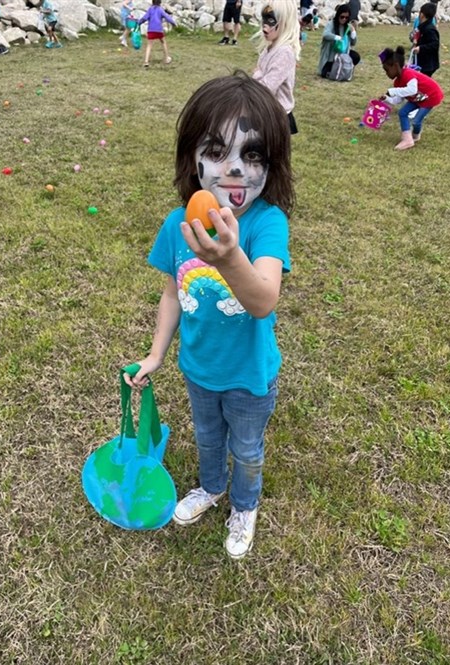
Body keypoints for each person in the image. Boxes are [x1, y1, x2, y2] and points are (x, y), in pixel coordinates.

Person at [124, 72, 294, 560]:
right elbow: (173, 294)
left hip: (249, 376)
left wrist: (227, 257)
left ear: (272, 164)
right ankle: (212, 487)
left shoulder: (266, 224)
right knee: (208, 439)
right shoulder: (178, 225)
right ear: (193, 161)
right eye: (217, 152)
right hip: (199, 371)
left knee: (247, 447)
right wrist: (157, 354)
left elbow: (263, 299)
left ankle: (245, 503)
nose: (234, 169)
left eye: (253, 154)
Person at [379, 45, 444, 150]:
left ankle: (415, 136)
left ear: (395, 66)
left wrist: (393, 91)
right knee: (402, 113)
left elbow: (412, 90)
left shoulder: (408, 74)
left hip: (430, 96)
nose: (386, 73)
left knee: (416, 121)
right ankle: (407, 139)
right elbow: (398, 99)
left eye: (387, 70)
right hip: (417, 98)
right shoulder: (397, 82)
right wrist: (387, 99)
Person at [252, 1, 301, 135]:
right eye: (264, 19)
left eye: (271, 21)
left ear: (285, 22)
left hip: (277, 116)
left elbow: (267, 88)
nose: (264, 27)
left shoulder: (284, 52)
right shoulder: (268, 49)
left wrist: (257, 74)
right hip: (265, 110)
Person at [317, 4, 360, 78]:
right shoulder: (331, 24)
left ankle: (346, 69)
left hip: (343, 54)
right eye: (342, 17)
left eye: (346, 17)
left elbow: (353, 43)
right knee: (325, 73)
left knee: (356, 57)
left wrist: (353, 32)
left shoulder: (348, 27)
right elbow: (325, 35)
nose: (344, 19)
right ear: (338, 15)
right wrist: (337, 37)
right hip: (331, 55)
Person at [137, 0, 176, 68]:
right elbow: (167, 17)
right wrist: (173, 23)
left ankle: (146, 61)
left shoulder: (150, 9)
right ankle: (167, 58)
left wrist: (138, 23)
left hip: (151, 30)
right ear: (160, 2)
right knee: (163, 42)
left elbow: (144, 18)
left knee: (149, 45)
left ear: (152, 2)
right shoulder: (160, 10)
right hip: (159, 30)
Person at [412, 3, 440, 76]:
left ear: (422, 14)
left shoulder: (429, 29)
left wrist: (420, 48)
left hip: (427, 64)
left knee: (423, 84)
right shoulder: (422, 27)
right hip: (421, 62)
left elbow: (435, 44)